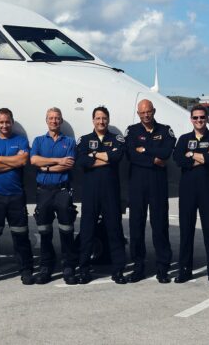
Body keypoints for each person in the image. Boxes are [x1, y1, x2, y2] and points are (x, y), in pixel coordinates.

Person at [75, 106, 129, 284]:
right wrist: (105, 157)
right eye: (98, 118)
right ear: (93, 120)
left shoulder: (116, 139)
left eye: (104, 118)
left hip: (110, 192)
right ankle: (83, 269)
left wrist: (94, 156)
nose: (101, 121)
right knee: (87, 230)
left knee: (114, 230)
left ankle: (118, 270)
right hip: (91, 192)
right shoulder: (84, 140)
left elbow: (117, 157)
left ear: (108, 120)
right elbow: (82, 161)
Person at [173, 105, 209, 285]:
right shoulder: (183, 139)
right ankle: (185, 270)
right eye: (195, 118)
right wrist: (203, 156)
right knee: (186, 232)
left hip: (208, 191)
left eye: (202, 117)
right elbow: (179, 160)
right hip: (188, 192)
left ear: (207, 119)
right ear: (191, 119)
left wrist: (192, 155)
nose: (199, 121)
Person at [124, 99, 176, 283]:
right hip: (138, 185)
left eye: (149, 112)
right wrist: (153, 159)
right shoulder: (132, 131)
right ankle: (138, 267)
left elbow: (166, 153)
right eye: (142, 113)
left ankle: (163, 267)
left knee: (160, 227)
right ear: (138, 114)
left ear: (154, 111)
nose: (146, 115)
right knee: (136, 227)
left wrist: (144, 149)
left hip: (157, 186)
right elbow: (131, 154)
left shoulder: (165, 130)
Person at [0, 108, 34, 285]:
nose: (4, 125)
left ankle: (26, 270)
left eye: (7, 121)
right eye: (1, 122)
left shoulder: (20, 140)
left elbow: (22, 161)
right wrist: (12, 161)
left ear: (12, 122)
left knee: (21, 235)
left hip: (16, 196)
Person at [30, 108, 78, 285]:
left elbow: (69, 164)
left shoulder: (69, 141)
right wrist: (58, 161)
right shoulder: (39, 140)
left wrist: (46, 166)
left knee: (67, 230)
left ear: (61, 121)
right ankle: (46, 267)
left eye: (57, 118)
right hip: (44, 191)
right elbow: (34, 160)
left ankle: (68, 267)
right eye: (51, 118)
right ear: (46, 120)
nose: (54, 121)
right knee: (44, 232)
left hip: (62, 191)